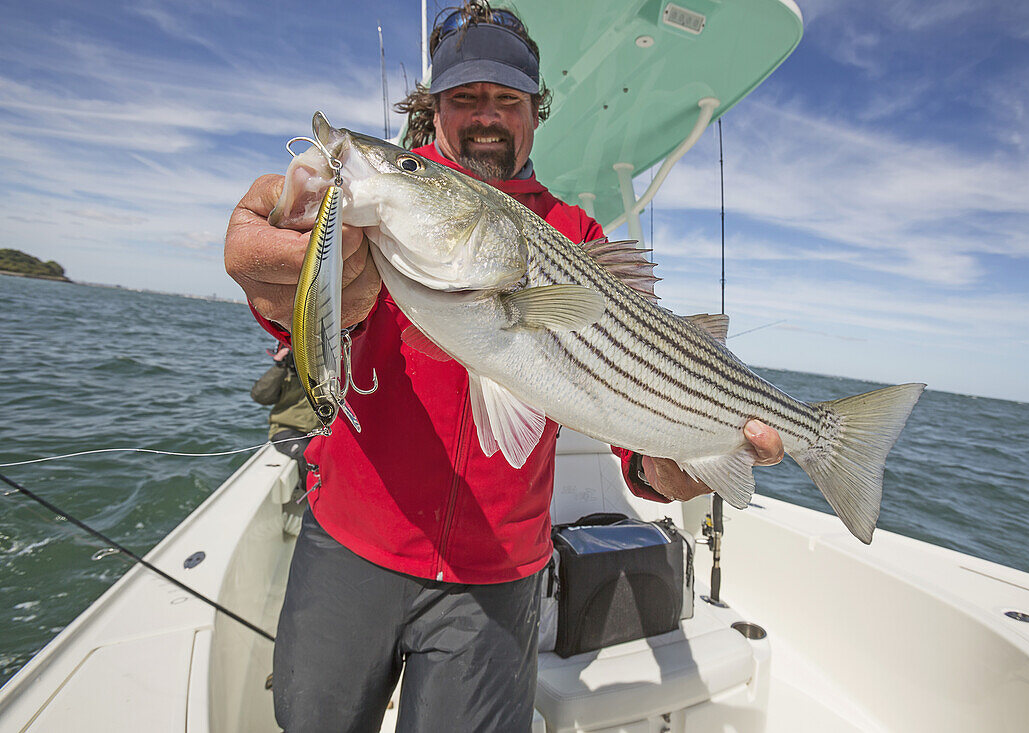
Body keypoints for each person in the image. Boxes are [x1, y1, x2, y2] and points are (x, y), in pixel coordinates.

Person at [223, 3, 784, 731]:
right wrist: (278, 278)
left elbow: (637, 440)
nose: (486, 117)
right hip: (353, 542)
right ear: (432, 112)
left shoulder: (577, 234)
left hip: (498, 571)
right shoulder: (384, 212)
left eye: (506, 100)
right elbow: (305, 319)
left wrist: (682, 463)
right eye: (463, 98)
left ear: (534, 112)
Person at [249, 344, 319, 494]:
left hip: (319, 432)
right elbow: (260, 396)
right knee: (306, 454)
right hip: (287, 430)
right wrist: (280, 366)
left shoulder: (322, 372)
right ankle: (311, 500)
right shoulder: (285, 373)